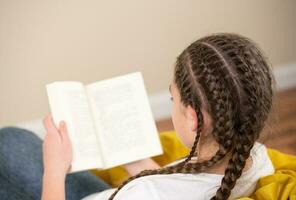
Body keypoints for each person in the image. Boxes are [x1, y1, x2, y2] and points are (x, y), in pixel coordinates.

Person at [0, 33, 275, 200]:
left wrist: (55, 169)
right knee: (13, 141)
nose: (171, 103)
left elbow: (158, 194)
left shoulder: (145, 194)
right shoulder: (257, 158)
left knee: (8, 141)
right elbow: (174, 188)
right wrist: (136, 161)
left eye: (172, 98)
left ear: (193, 117)